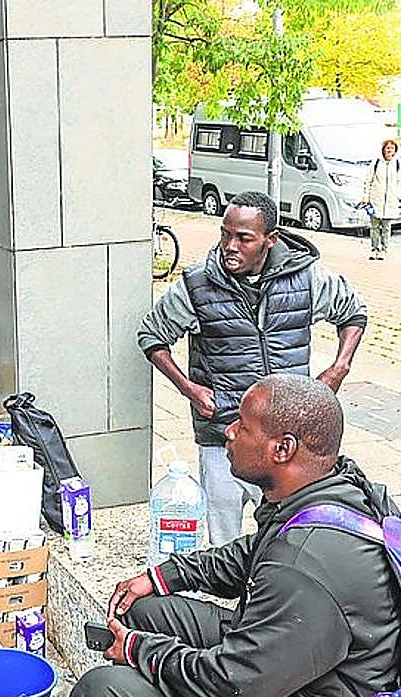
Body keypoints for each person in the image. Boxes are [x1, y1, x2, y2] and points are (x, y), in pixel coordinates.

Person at [66, 374, 401, 697]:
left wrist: (139, 651)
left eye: (243, 427)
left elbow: (235, 685)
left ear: (282, 449)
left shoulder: (305, 565)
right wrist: (163, 576)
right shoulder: (332, 492)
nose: (228, 431)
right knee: (148, 611)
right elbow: (253, 554)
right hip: (299, 674)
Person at [137, 191, 367, 546]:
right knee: (224, 540)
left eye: (243, 238)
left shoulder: (306, 278)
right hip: (223, 435)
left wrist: (339, 367)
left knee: (286, 539)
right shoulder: (197, 286)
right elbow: (151, 334)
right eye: (225, 234)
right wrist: (189, 388)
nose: (231, 245)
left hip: (287, 444)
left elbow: (353, 311)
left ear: (269, 240)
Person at [362, 139, 401, 260]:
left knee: (386, 227)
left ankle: (384, 250)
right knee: (375, 226)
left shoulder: (397, 164)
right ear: (383, 150)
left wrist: (397, 195)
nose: (389, 150)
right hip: (376, 200)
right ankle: (374, 249)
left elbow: (400, 182)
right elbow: (368, 180)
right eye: (388, 148)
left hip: (390, 201)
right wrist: (366, 197)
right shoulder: (376, 163)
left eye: (392, 148)